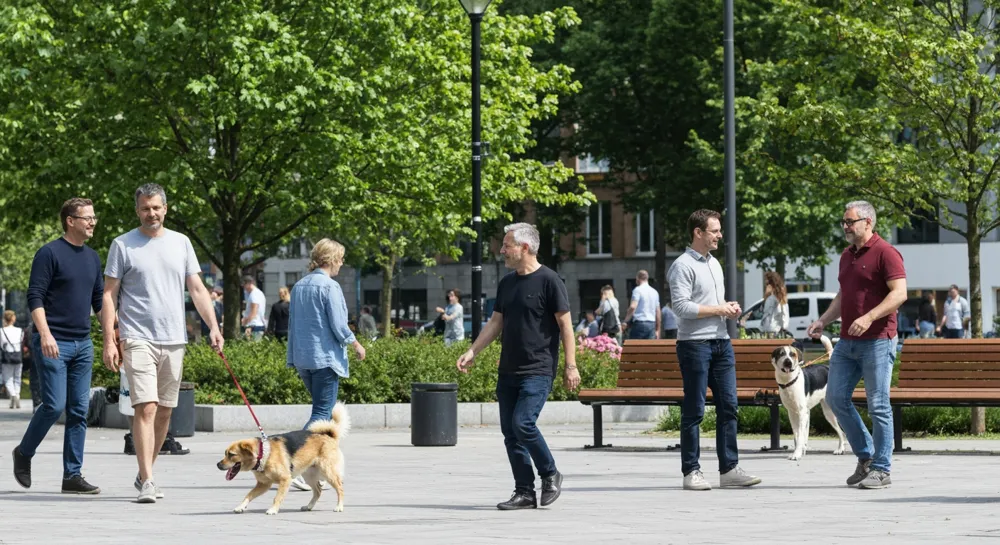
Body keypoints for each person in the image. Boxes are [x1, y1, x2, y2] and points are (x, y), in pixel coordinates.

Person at [101, 183, 223, 503]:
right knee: (147, 407)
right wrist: (110, 341)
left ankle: (144, 473)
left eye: (156, 207)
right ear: (137, 210)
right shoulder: (122, 245)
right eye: (145, 208)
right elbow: (109, 295)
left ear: (165, 208)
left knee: (165, 412)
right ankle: (150, 481)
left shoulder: (181, 243)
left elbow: (197, 288)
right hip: (136, 336)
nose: (151, 213)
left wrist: (213, 326)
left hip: (174, 338)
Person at [456, 223, 580, 510]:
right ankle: (524, 491)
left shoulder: (550, 281)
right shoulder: (507, 283)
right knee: (511, 434)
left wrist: (570, 366)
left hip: (538, 369)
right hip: (509, 370)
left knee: (522, 423)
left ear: (524, 247)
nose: (502, 250)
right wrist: (473, 350)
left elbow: (566, 327)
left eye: (506, 245)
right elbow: (496, 322)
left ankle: (550, 473)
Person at [807, 200, 906, 490]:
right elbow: (843, 295)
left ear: (868, 222)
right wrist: (823, 320)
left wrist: (870, 316)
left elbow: (899, 294)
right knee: (836, 399)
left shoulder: (886, 253)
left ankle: (882, 468)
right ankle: (866, 457)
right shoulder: (846, 256)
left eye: (851, 222)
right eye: (844, 222)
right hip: (847, 342)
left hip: (877, 340)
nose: (846, 227)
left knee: (878, 405)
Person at [13, 197, 104, 494]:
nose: (92, 222)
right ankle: (24, 453)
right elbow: (35, 297)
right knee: (54, 405)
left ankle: (72, 476)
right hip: (53, 340)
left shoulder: (92, 258)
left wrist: (112, 337)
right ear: (70, 221)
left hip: (83, 344)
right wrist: (46, 334)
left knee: (79, 410)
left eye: (93, 217)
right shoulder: (49, 253)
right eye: (86, 217)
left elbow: (98, 301)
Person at [667, 209, 760, 491]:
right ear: (698, 232)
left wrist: (727, 308)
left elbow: (710, 303)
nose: (720, 235)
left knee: (729, 406)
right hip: (694, 345)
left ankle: (729, 469)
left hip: (721, 342)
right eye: (715, 231)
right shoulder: (682, 266)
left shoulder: (714, 264)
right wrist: (719, 308)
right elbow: (681, 307)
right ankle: (691, 472)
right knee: (694, 410)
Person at [287, 238, 366, 491]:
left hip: (303, 358)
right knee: (322, 414)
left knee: (321, 409)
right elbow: (339, 324)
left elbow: (294, 325)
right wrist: (355, 344)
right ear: (331, 259)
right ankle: (292, 462)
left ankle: (311, 464)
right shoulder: (329, 287)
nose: (342, 264)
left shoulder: (298, 286)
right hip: (325, 358)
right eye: (340, 259)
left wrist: (292, 355)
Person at [623, 270, 661, 340]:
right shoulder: (655, 292)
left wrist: (625, 321)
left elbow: (633, 306)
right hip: (651, 323)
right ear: (647, 278)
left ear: (637, 278)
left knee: (635, 348)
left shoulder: (637, 290)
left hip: (639, 323)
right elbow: (658, 311)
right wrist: (658, 329)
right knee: (650, 348)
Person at [2, 310, 24, 408]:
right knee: (17, 377)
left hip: (7, 357)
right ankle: (17, 395)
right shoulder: (20, 330)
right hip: (18, 356)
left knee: (7, 378)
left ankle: (13, 394)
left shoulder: (1, 331)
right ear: (13, 318)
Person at [760, 271, 790, 338]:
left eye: (766, 281)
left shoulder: (776, 297)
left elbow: (782, 312)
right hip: (769, 329)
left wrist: (784, 327)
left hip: (773, 330)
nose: (765, 283)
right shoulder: (772, 296)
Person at [241, 275, 267, 340]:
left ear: (249, 283)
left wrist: (245, 322)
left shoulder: (254, 294)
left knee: (253, 348)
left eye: (244, 284)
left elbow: (254, 312)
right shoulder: (258, 293)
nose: (243, 287)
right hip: (257, 325)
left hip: (254, 326)